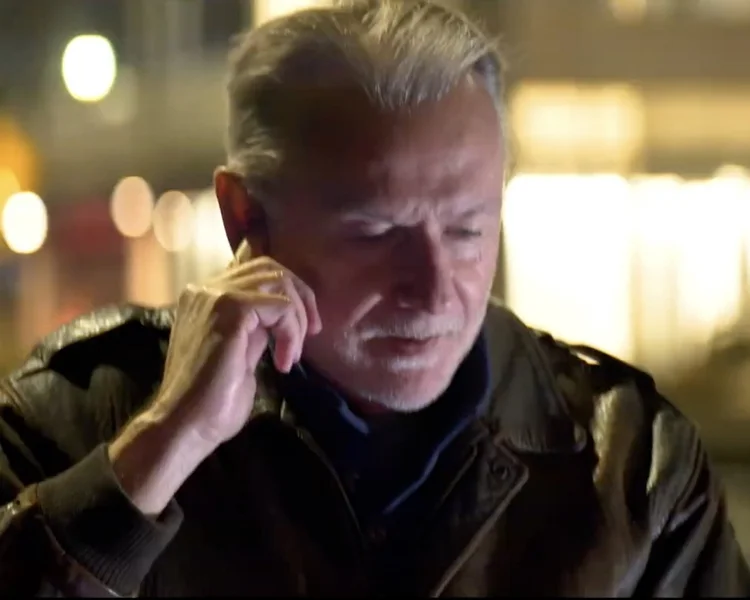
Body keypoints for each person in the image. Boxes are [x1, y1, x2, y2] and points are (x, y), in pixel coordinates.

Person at [1, 0, 748, 596]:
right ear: (244, 217)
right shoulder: (68, 420)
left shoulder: (636, 468)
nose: (434, 289)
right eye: (376, 232)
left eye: (467, 229)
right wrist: (161, 451)